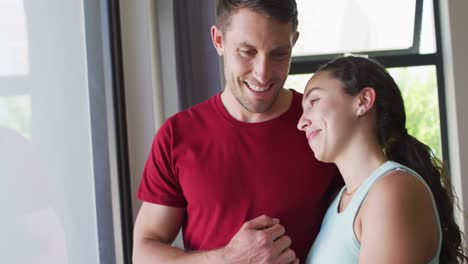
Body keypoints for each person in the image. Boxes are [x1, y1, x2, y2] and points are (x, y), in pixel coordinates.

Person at [132, 0, 342, 263]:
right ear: (219, 40)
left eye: (278, 54)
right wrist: (228, 259)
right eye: (247, 52)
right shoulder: (177, 135)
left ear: (294, 42)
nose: (263, 74)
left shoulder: (323, 125)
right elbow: (144, 254)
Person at [297, 56, 468, 263]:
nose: (301, 122)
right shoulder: (339, 201)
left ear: (363, 101)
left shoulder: (392, 190)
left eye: (314, 101)